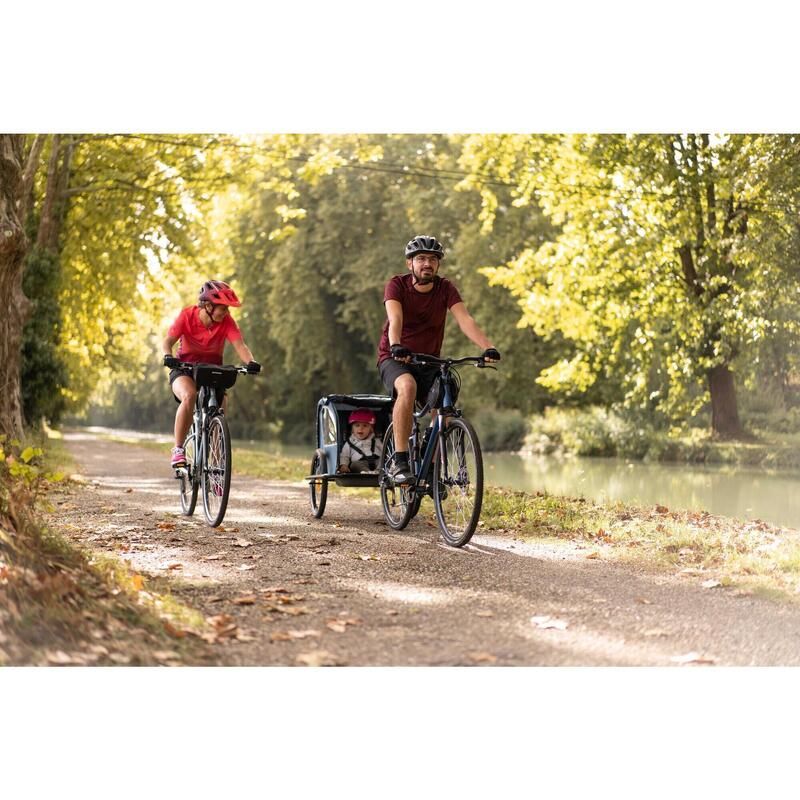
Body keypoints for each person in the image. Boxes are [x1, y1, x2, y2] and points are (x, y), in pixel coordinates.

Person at [377, 235, 500, 485]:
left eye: (432, 259)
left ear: (438, 265)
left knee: (445, 399)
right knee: (407, 387)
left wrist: (488, 347)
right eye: (421, 258)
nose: (427, 264)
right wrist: (396, 345)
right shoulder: (396, 285)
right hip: (395, 357)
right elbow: (395, 318)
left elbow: (465, 319)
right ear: (410, 264)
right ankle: (400, 461)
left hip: (429, 361)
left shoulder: (446, 288)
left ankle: (430, 467)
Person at [162, 280, 260, 468]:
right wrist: (168, 356)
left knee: (221, 407)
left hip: (211, 370)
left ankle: (216, 462)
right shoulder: (187, 316)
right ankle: (178, 450)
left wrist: (251, 362)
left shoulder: (227, 322)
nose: (226, 313)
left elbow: (240, 345)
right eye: (222, 308)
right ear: (208, 306)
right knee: (189, 395)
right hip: (185, 369)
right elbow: (167, 342)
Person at [339, 408, 383, 473]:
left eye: (365, 426)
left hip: (376, 461)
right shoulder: (349, 442)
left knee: (383, 461)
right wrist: (344, 465)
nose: (361, 428)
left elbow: (384, 451)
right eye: (357, 425)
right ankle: (368, 472)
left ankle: (378, 471)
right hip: (360, 463)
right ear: (352, 429)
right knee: (354, 465)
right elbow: (344, 456)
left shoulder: (376, 440)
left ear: (371, 429)